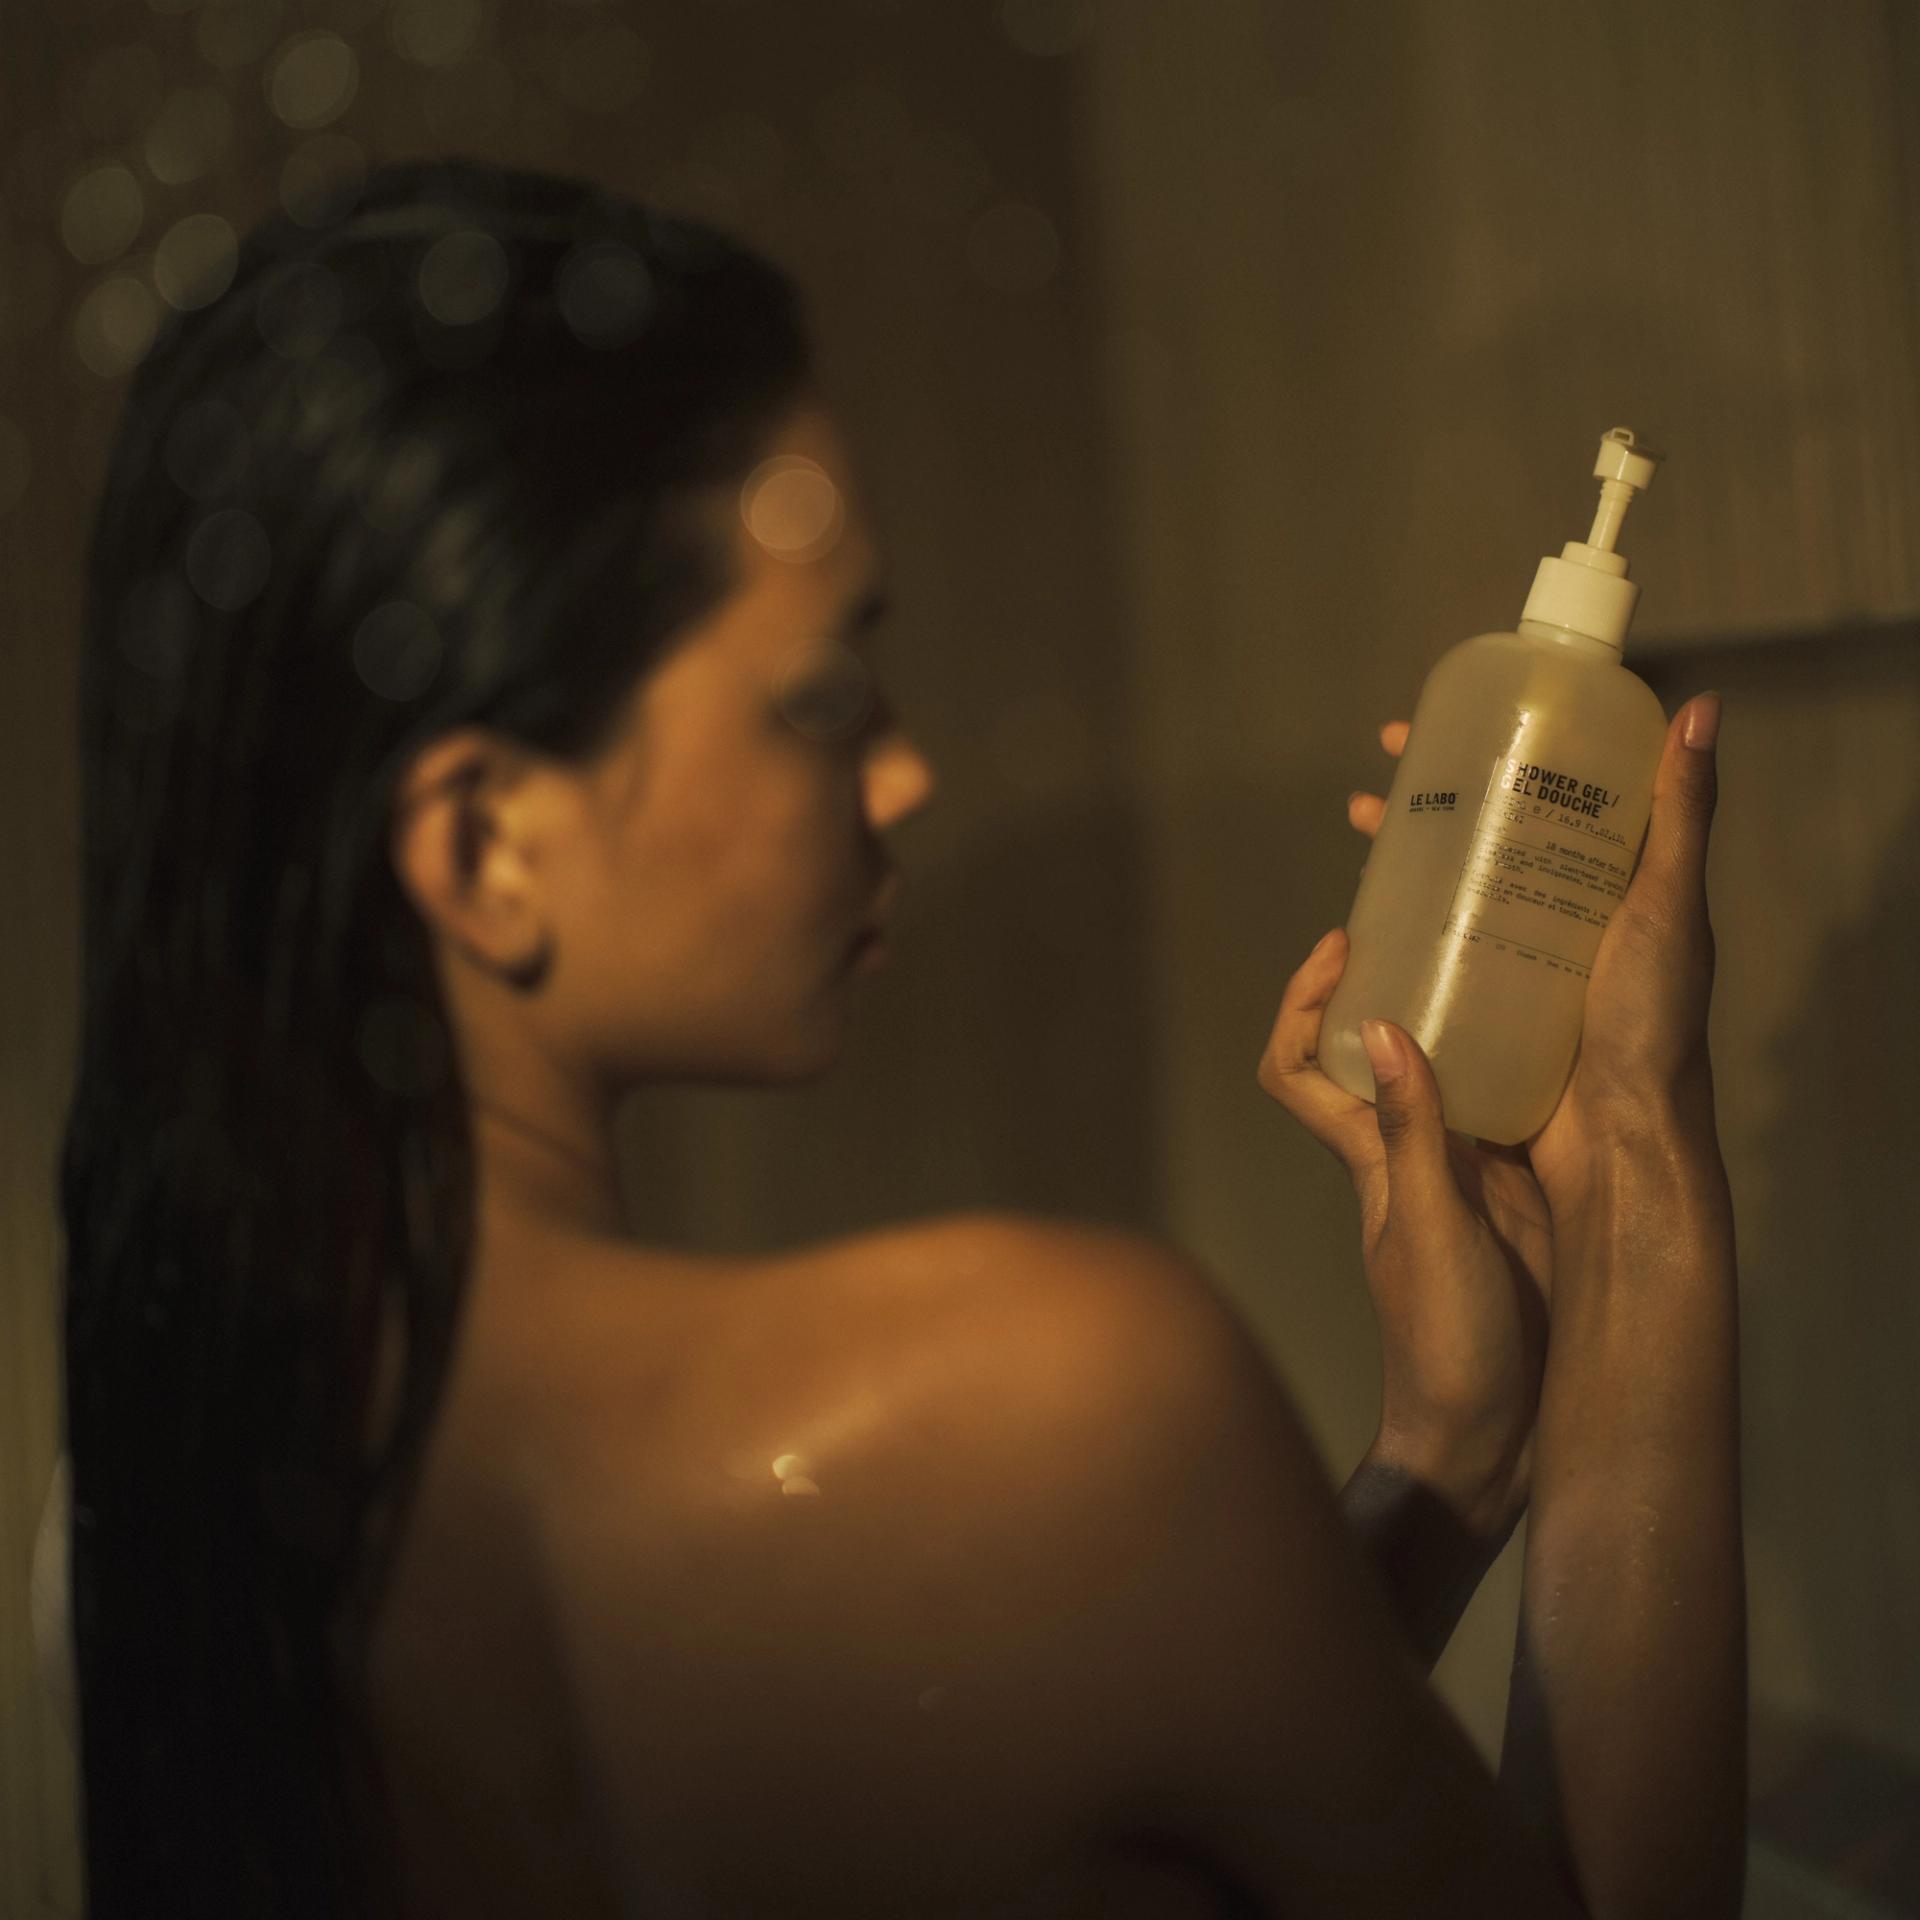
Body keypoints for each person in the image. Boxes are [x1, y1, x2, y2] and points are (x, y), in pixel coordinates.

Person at [53, 154, 1743, 1918]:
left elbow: (1060, 1767)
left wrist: (1452, 1461)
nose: (905, 771)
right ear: (484, 847)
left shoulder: (185, 1486)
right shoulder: (1048, 1392)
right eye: (823, 697)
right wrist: (1636, 1168)